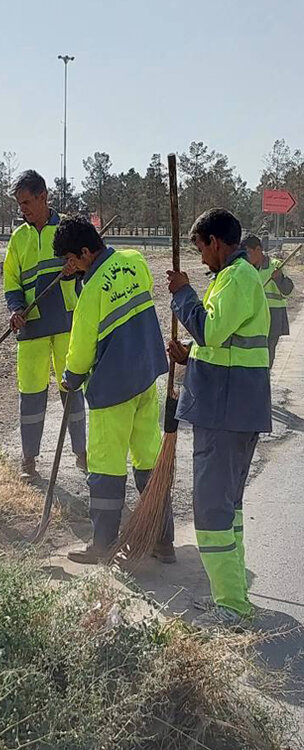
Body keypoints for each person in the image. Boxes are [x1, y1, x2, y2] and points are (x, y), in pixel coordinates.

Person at [167, 208, 271, 628]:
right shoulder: (235, 278)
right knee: (228, 509)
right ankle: (234, 596)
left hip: (226, 411)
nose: (201, 257)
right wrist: (191, 356)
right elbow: (222, 344)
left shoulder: (236, 278)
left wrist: (183, 294)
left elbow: (211, 331)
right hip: (233, 406)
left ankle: (230, 607)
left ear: (215, 242)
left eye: (201, 248)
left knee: (211, 511)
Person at [52, 217, 173, 564]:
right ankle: (162, 540)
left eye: (71, 259)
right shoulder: (135, 261)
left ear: (85, 252)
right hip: (147, 379)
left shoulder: (91, 293)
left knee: (106, 467)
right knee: (149, 460)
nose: (70, 266)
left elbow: (80, 349)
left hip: (113, 389)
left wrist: (71, 378)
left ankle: (103, 543)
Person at [2, 170, 86, 479]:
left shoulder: (66, 230)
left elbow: (89, 263)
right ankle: (29, 460)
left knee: (72, 389)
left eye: (26, 202)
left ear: (43, 197)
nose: (22, 209)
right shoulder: (19, 238)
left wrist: (76, 268)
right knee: (31, 394)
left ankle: (81, 453)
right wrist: (15, 308)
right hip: (31, 326)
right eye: (19, 204)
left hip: (66, 323)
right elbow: (11, 281)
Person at [242, 233, 294, 366]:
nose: (246, 257)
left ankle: (265, 376)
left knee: (268, 353)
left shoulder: (276, 266)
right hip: (254, 315)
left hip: (273, 316)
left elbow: (288, 291)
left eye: (248, 253)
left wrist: (279, 278)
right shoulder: (246, 269)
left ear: (258, 249)